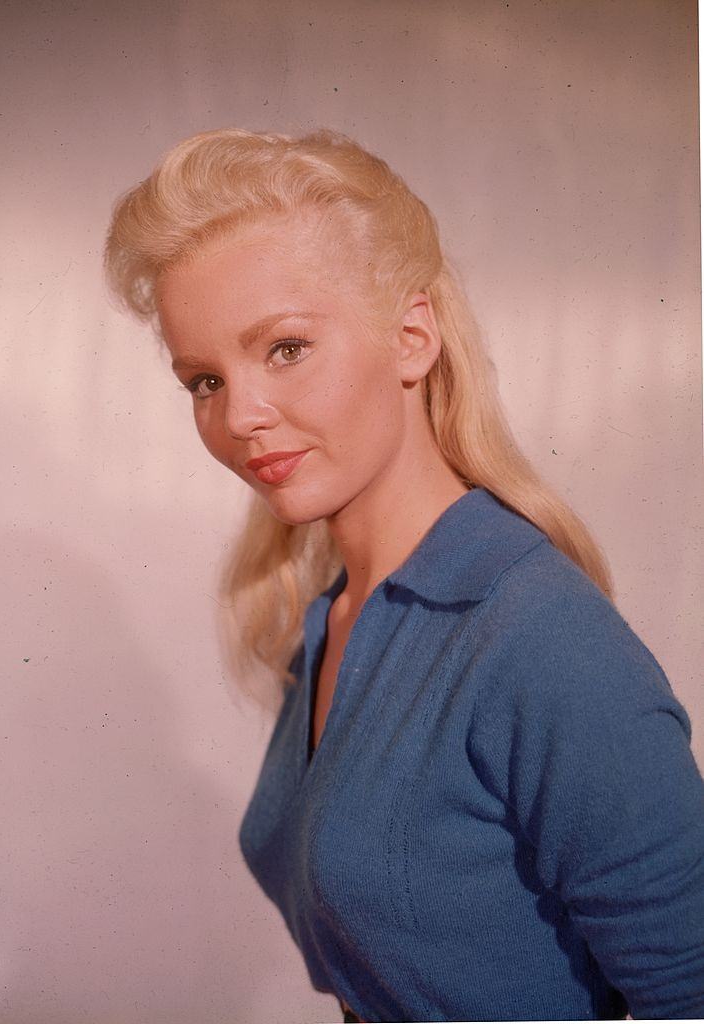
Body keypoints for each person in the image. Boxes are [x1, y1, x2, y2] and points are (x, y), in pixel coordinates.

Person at [104, 128, 704, 1022]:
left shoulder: (536, 635)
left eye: (284, 349)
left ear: (412, 337)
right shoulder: (330, 618)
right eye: (203, 381)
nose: (240, 417)